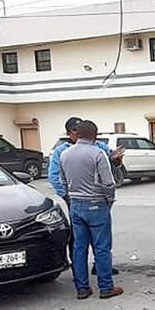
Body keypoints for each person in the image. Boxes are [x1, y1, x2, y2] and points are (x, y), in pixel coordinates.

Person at [48, 117, 123, 274]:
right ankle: (102, 285)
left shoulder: (100, 148)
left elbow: (111, 169)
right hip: (84, 201)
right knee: (84, 242)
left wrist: (116, 161)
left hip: (88, 201)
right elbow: (56, 178)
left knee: (95, 242)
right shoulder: (63, 152)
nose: (78, 133)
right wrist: (67, 197)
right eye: (75, 130)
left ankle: (93, 274)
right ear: (70, 133)